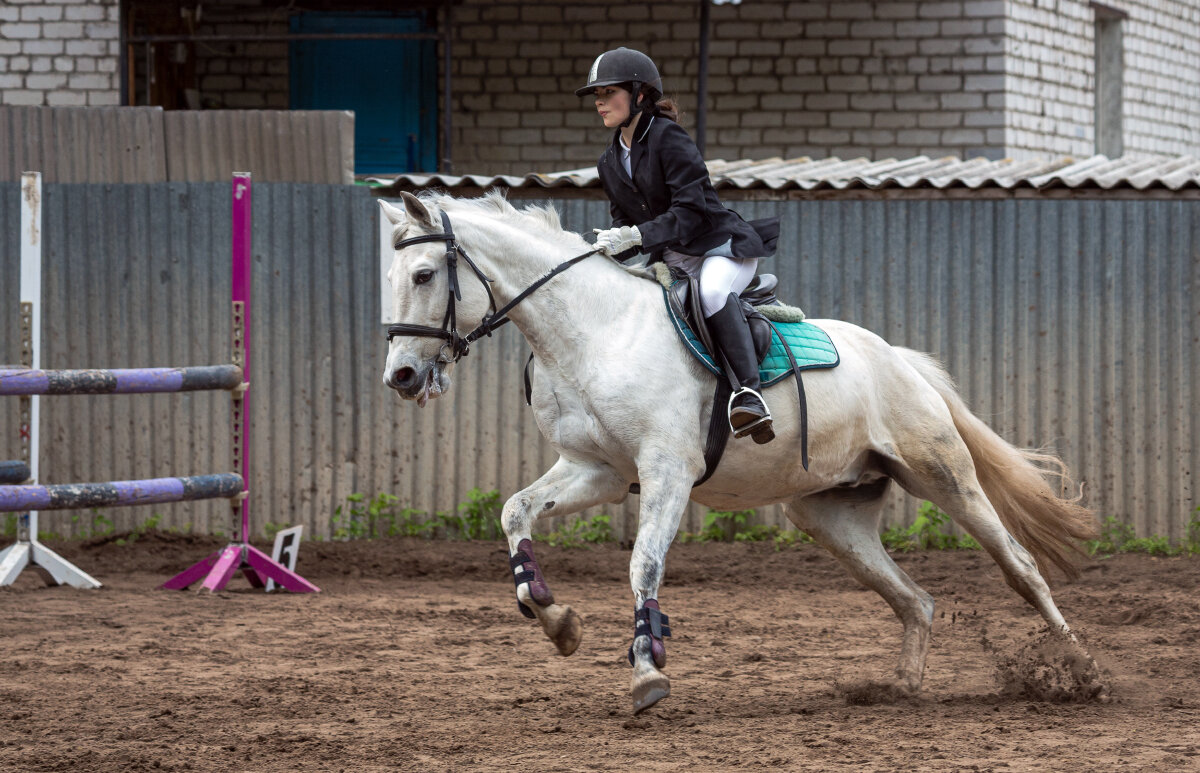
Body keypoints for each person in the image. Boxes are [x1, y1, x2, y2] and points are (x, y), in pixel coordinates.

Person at [578, 47, 780, 444]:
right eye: (596, 96)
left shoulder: (669, 138)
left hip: (719, 249)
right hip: (669, 258)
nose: (600, 102)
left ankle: (750, 393)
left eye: (609, 92)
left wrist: (637, 235)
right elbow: (625, 221)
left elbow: (691, 211)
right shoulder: (609, 160)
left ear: (639, 94)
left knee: (711, 292)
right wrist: (611, 243)